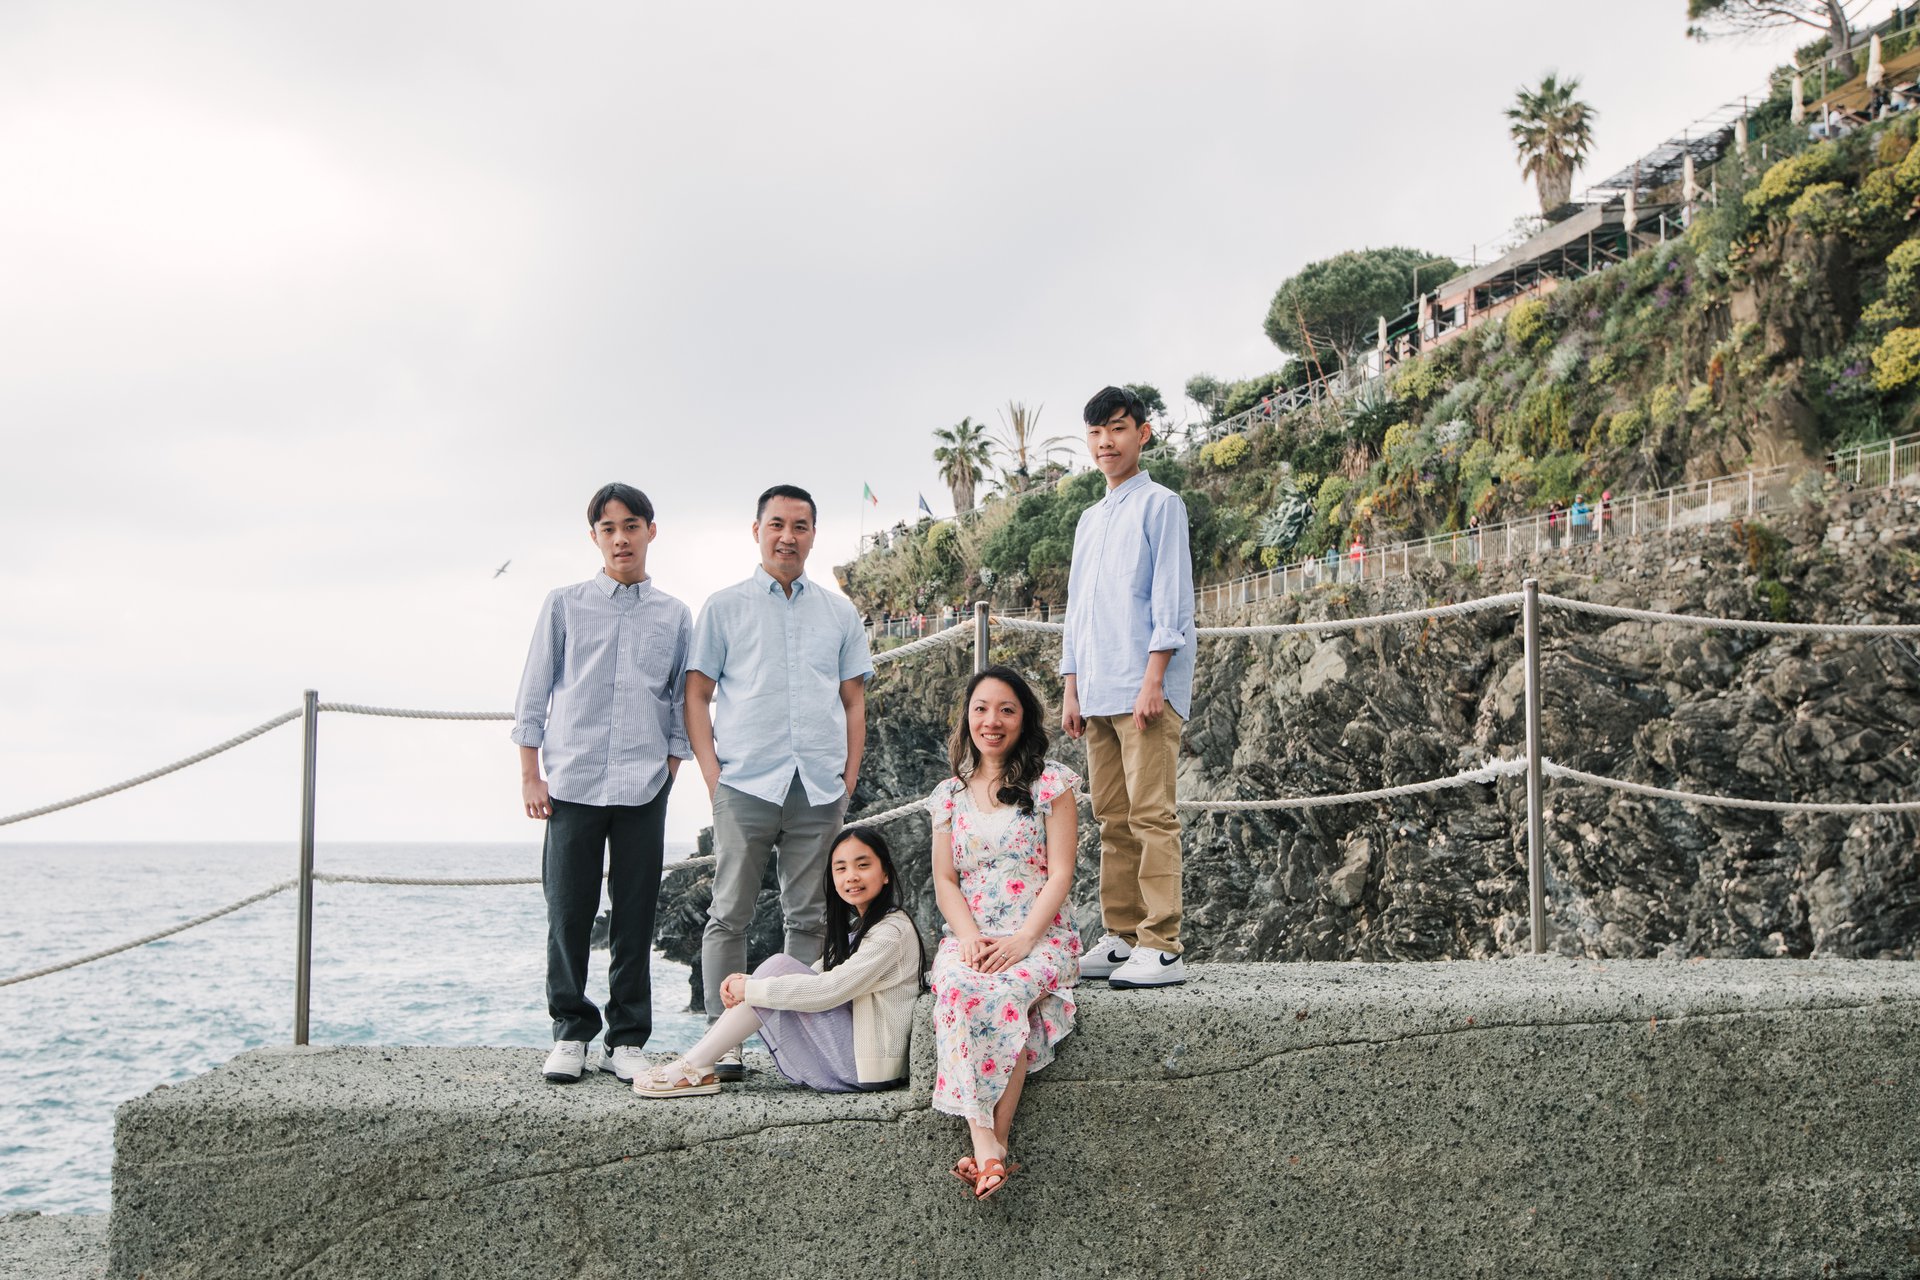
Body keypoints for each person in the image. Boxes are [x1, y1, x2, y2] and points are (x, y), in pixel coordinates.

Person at [687, 483, 876, 1081]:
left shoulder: (839, 613)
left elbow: (853, 700)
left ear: (813, 534)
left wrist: (848, 776)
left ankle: (791, 1039)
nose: (787, 537)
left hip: (818, 785)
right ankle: (725, 1044)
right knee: (729, 914)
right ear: (757, 531)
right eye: (776, 524)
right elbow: (697, 694)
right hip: (745, 782)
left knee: (811, 917)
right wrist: (713, 775)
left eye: (799, 526)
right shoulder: (724, 607)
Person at [512, 483, 691, 1085]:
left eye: (631, 526)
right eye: (609, 528)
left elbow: (678, 699)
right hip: (572, 782)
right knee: (568, 913)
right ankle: (570, 1033)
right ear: (594, 536)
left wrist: (670, 768)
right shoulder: (564, 604)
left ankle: (627, 1039)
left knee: (635, 916)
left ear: (650, 531)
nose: (621, 538)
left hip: (644, 784)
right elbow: (535, 690)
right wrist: (531, 775)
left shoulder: (675, 614)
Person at [927, 666, 1082, 1199]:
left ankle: (986, 1150)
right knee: (958, 988)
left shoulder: (1051, 784)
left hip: (1039, 934)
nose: (991, 721)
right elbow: (945, 881)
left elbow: (1061, 873)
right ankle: (990, 1147)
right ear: (967, 718)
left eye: (1006, 710)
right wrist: (968, 937)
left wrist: (1024, 940)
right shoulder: (948, 795)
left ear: (1023, 719)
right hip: (970, 933)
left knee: (1008, 991)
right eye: (981, 709)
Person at [1060, 385, 1195, 991]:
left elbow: (1171, 597)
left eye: (1117, 428)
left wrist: (1154, 681)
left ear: (1143, 433)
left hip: (1144, 690)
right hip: (1097, 690)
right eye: (1095, 433)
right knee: (1111, 819)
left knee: (1151, 816)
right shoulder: (1089, 519)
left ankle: (1161, 944)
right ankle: (1121, 936)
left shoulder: (1161, 504)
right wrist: (1072, 688)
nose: (1105, 442)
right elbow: (1077, 611)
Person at [634, 827, 923, 1098]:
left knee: (777, 967)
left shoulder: (891, 932)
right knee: (777, 973)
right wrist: (750, 984)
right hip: (862, 1057)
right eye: (841, 868)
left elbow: (829, 989)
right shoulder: (863, 928)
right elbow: (812, 977)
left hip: (870, 1065)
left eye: (863, 865)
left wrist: (751, 989)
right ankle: (698, 1062)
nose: (852, 876)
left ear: (886, 873)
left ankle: (694, 1065)